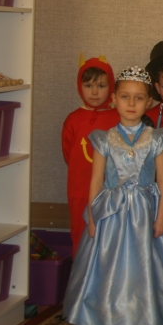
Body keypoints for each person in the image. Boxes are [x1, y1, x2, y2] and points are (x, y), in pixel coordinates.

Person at [63, 66, 163, 325]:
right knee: (113, 272)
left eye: (138, 98)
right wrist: (93, 217)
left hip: (145, 215)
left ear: (149, 101)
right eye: (125, 97)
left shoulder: (157, 138)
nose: (131, 103)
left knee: (141, 271)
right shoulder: (104, 138)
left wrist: (161, 217)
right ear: (114, 99)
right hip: (112, 216)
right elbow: (96, 181)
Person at [62, 56, 120, 257]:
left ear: (111, 86)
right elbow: (69, 155)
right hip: (80, 190)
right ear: (80, 86)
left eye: (101, 86)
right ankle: (81, 274)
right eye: (88, 86)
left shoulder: (119, 117)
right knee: (81, 235)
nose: (94, 92)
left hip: (112, 190)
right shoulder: (73, 120)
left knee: (112, 237)